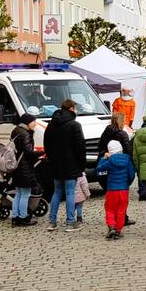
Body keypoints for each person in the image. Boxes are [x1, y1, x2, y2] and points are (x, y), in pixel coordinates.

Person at [44, 99, 86, 232]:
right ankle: (70, 222)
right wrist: (81, 165)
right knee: (70, 193)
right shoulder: (75, 125)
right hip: (71, 165)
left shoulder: (51, 124)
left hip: (56, 164)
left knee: (56, 192)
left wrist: (52, 160)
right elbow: (80, 148)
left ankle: (52, 222)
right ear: (72, 109)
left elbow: (47, 145)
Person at [96, 140, 136, 239]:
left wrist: (103, 158)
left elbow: (99, 168)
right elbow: (131, 175)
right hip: (124, 190)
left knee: (109, 209)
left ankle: (111, 227)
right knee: (121, 210)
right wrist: (127, 184)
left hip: (112, 190)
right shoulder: (127, 160)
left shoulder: (110, 161)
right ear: (121, 149)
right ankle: (118, 230)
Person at [10, 113, 41, 227]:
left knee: (18, 193)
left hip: (17, 166)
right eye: (33, 121)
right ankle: (23, 218)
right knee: (25, 194)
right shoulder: (26, 133)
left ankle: (15, 217)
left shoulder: (15, 130)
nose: (35, 123)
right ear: (28, 122)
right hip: (25, 168)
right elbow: (29, 152)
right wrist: (41, 152)